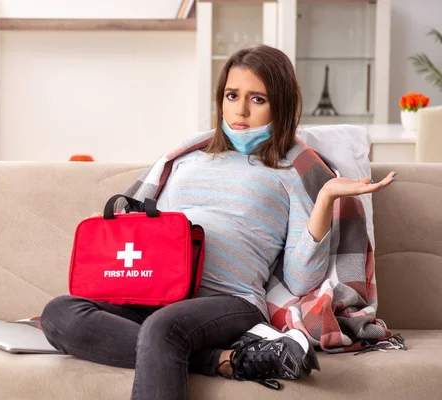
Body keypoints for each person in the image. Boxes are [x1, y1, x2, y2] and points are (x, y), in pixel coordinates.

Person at [39, 45, 397, 400]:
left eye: (258, 99)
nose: (240, 110)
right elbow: (150, 232)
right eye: (232, 95)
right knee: (59, 312)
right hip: (158, 291)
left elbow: (300, 279)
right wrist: (117, 229)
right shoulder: (185, 161)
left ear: (281, 105)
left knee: (164, 329)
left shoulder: (291, 174)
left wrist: (324, 200)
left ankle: (196, 350)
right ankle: (224, 361)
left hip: (230, 300)